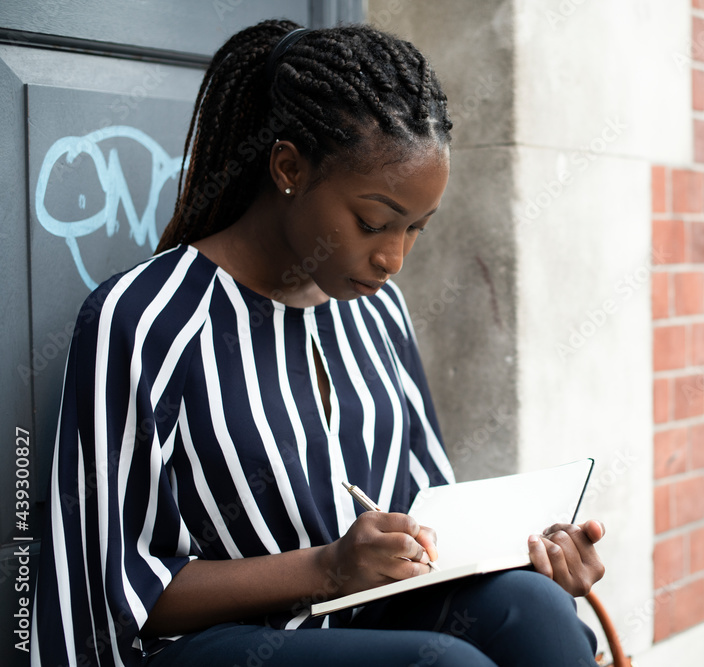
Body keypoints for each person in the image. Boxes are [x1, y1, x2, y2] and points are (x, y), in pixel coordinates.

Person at [32, 19, 606, 667]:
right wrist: (328, 566)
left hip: (368, 623)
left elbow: (433, 526)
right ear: (288, 167)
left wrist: (526, 557)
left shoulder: (378, 309)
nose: (393, 257)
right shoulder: (143, 319)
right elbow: (118, 593)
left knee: (535, 610)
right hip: (208, 647)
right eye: (373, 222)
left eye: (415, 228)